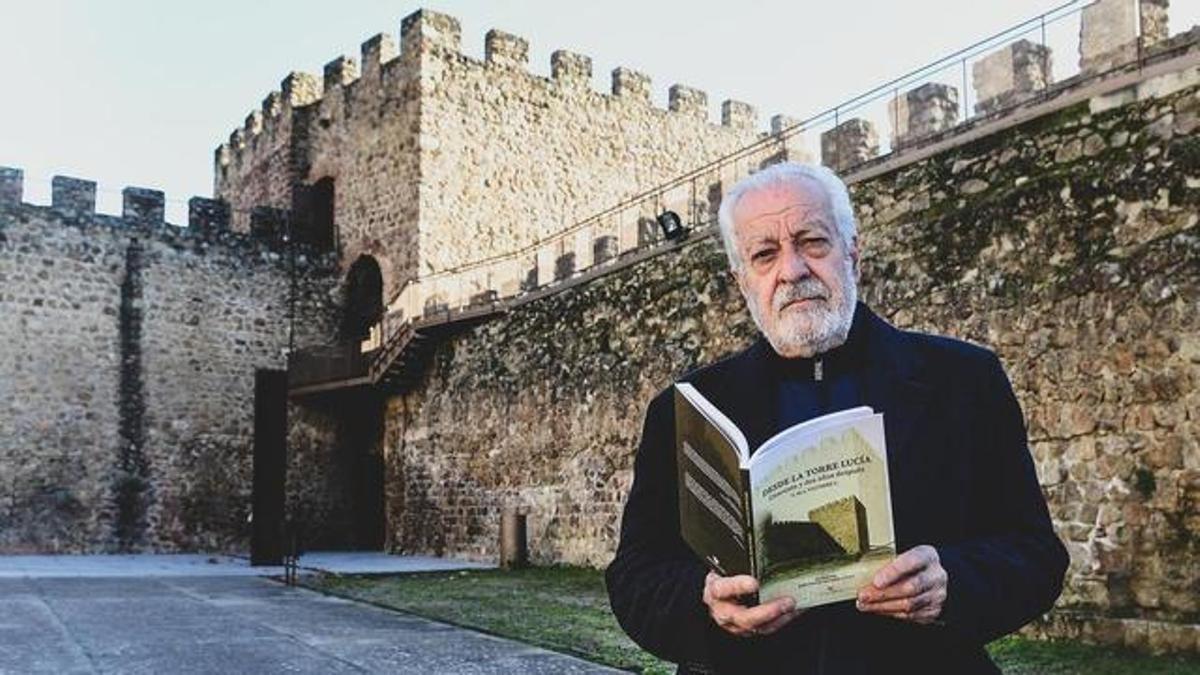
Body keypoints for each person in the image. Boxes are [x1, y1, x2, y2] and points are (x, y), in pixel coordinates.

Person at [605, 162, 1068, 674]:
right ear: (742, 281)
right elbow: (635, 577)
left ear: (853, 253)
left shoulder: (963, 380)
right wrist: (705, 602)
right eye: (765, 254)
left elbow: (1036, 554)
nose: (793, 270)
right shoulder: (685, 408)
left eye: (812, 242)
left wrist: (951, 582)